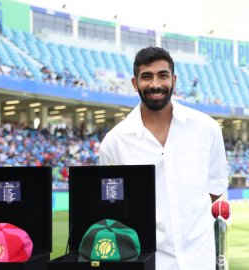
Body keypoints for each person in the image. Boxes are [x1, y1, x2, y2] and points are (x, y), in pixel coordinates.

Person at [98, 47, 228, 270]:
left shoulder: (206, 128)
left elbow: (215, 188)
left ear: (174, 80)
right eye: (146, 76)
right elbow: (113, 208)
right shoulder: (115, 142)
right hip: (148, 261)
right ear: (134, 83)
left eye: (163, 75)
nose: (155, 84)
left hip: (200, 257)